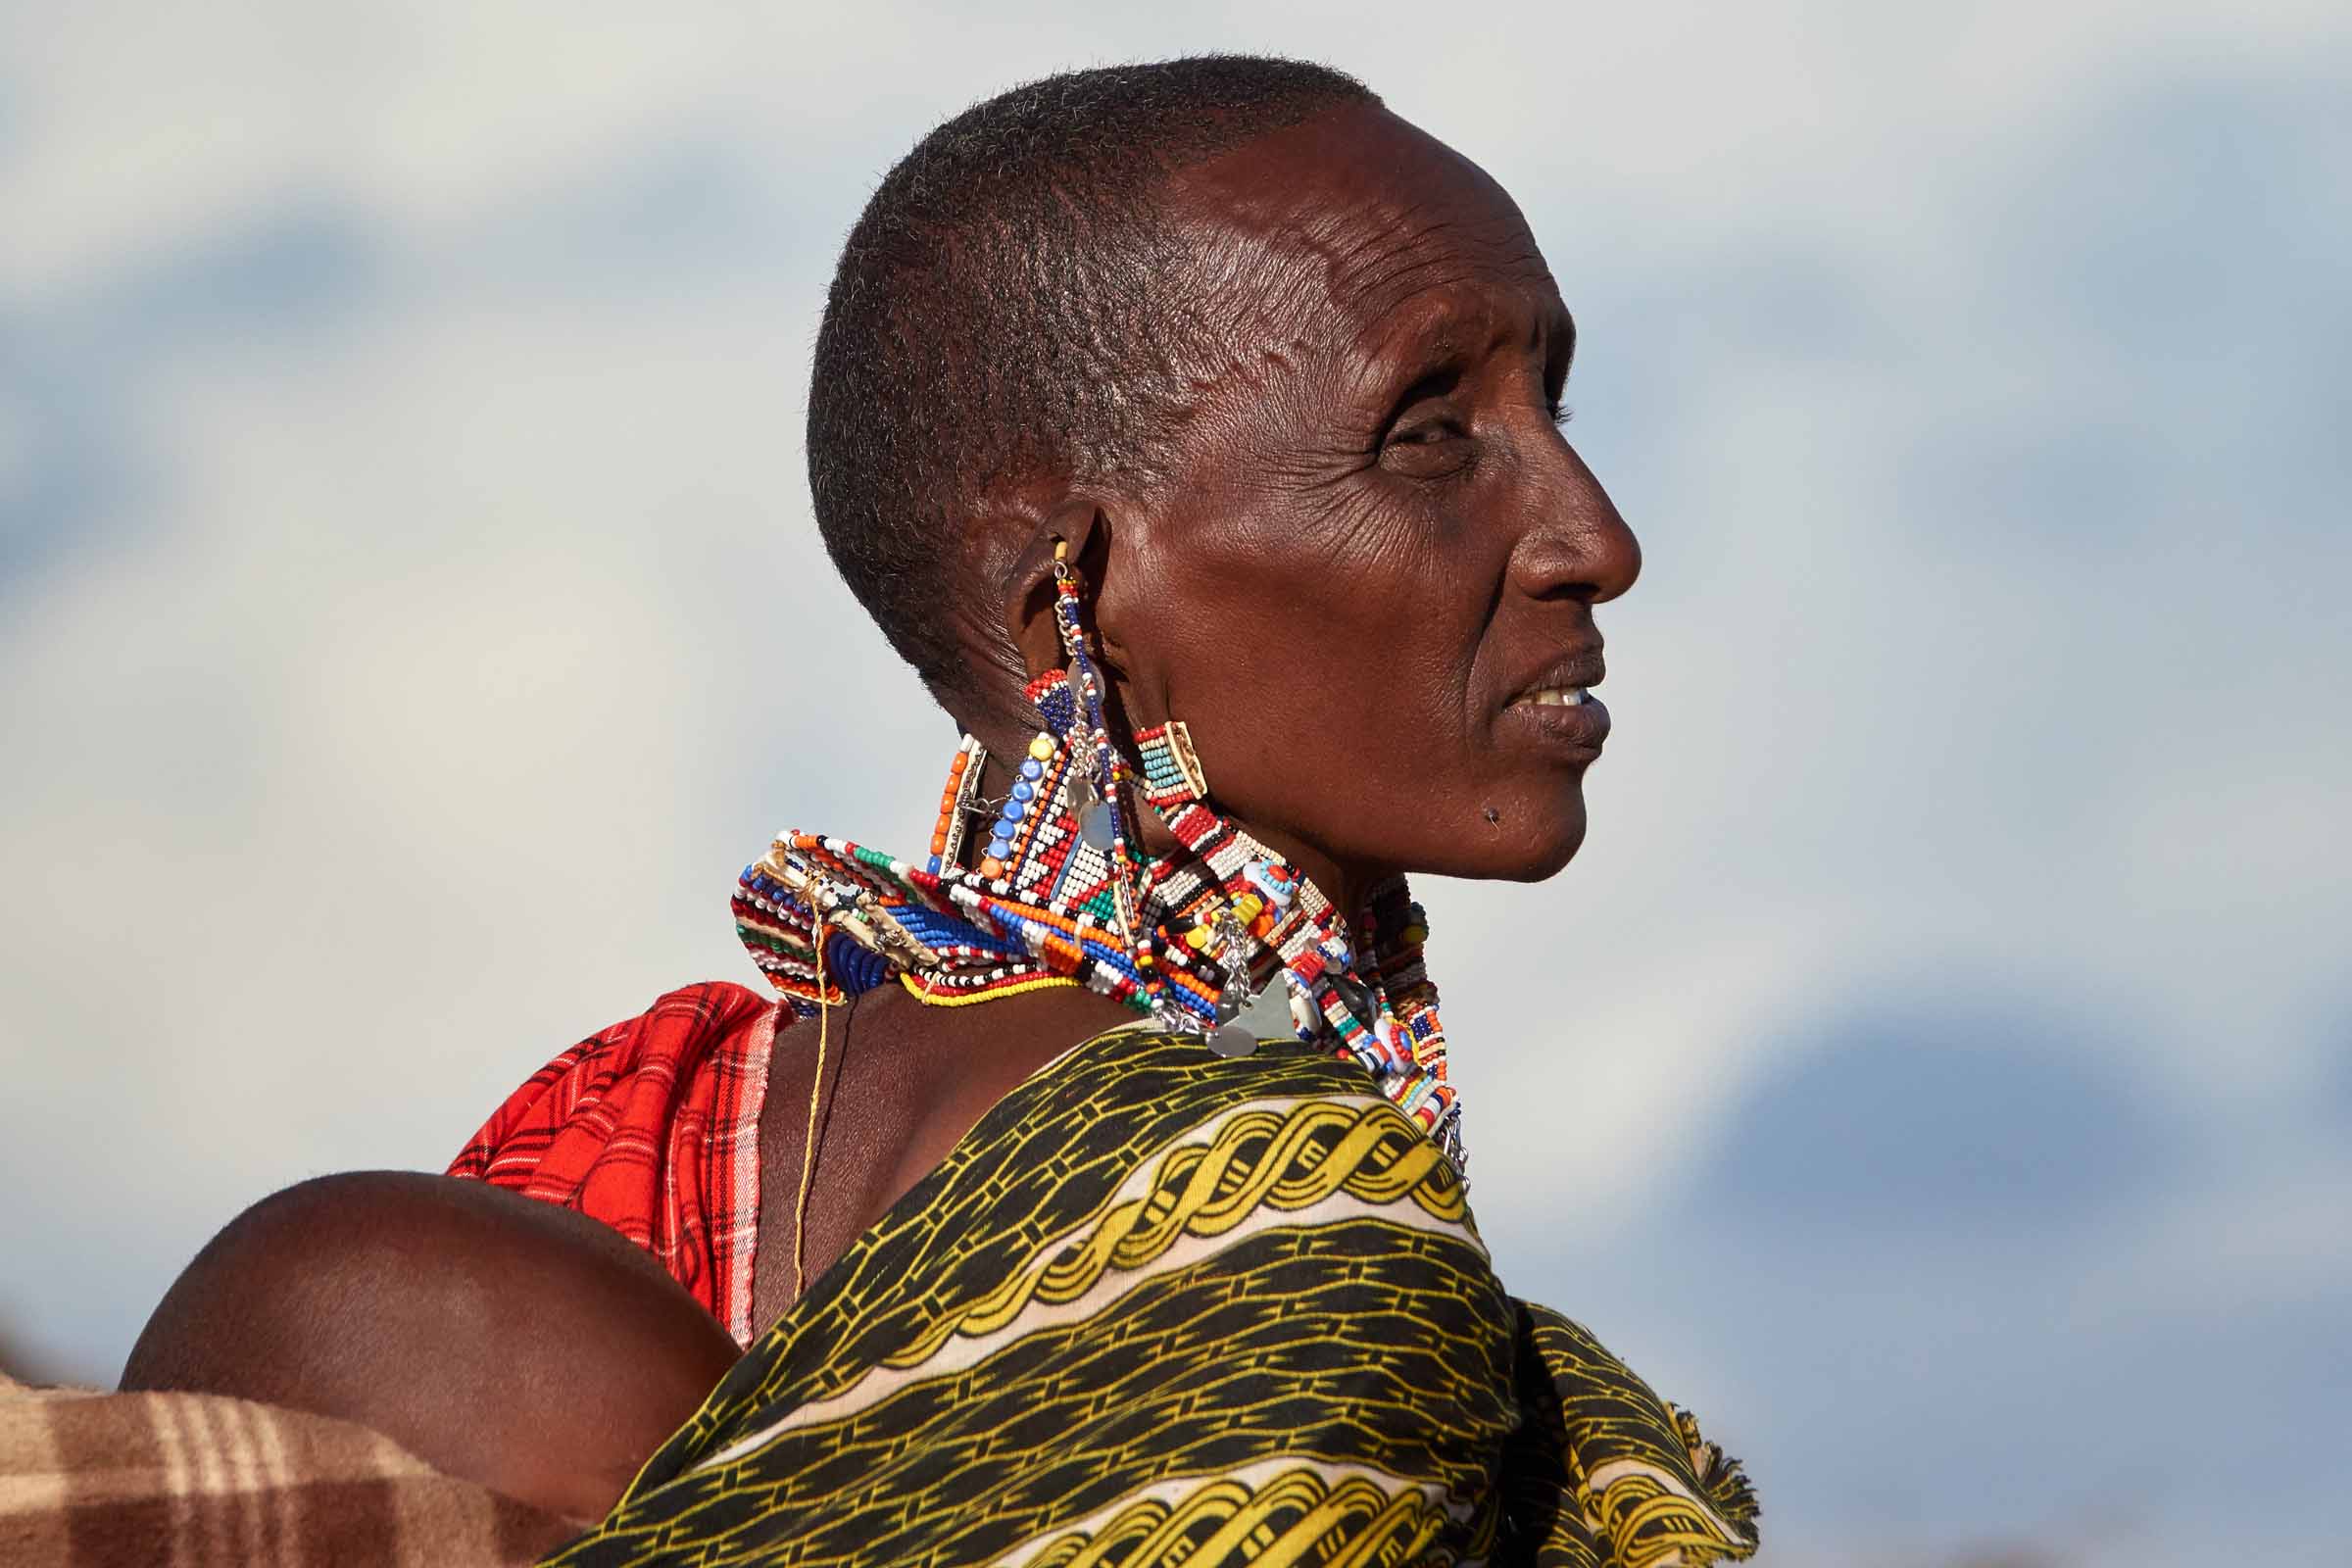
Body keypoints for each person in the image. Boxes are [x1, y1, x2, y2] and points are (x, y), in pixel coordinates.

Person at [127, 56, 1758, 1567]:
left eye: (1554, 406)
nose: (1595, 538)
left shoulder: (638, 1136)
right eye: (1432, 434)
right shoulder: (1289, 1231)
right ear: (1074, 609)